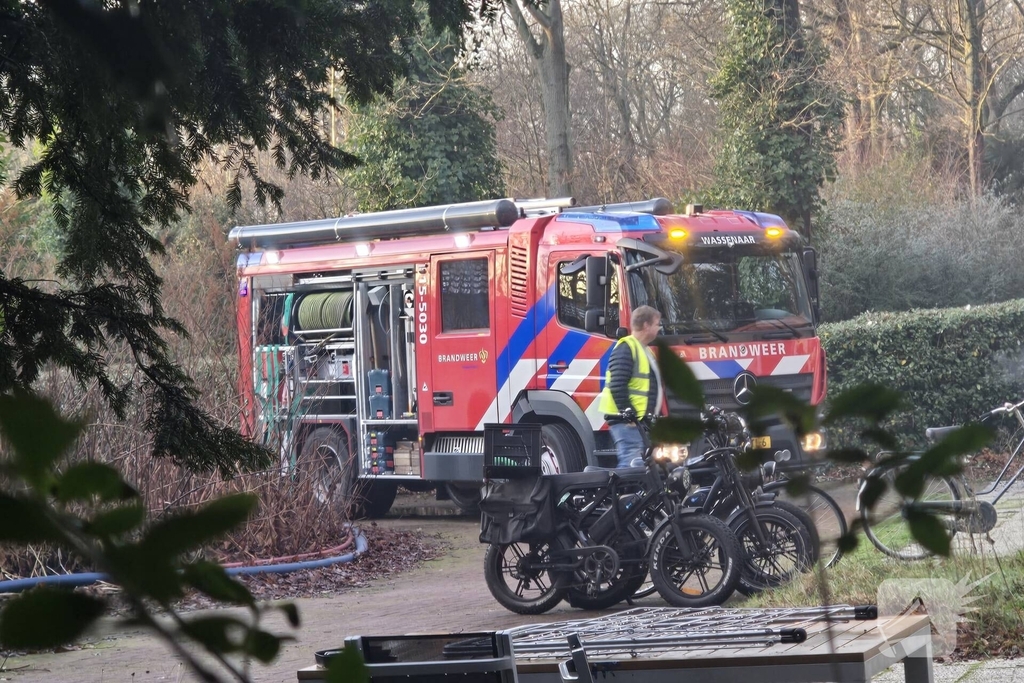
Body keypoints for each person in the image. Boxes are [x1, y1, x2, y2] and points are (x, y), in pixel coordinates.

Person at [598, 305, 664, 468]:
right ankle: (625, 493)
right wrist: (628, 414)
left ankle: (629, 492)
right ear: (646, 325)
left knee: (641, 466)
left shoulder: (645, 350)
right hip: (627, 421)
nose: (659, 328)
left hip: (638, 421)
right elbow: (617, 384)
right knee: (632, 463)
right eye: (657, 324)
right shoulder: (626, 347)